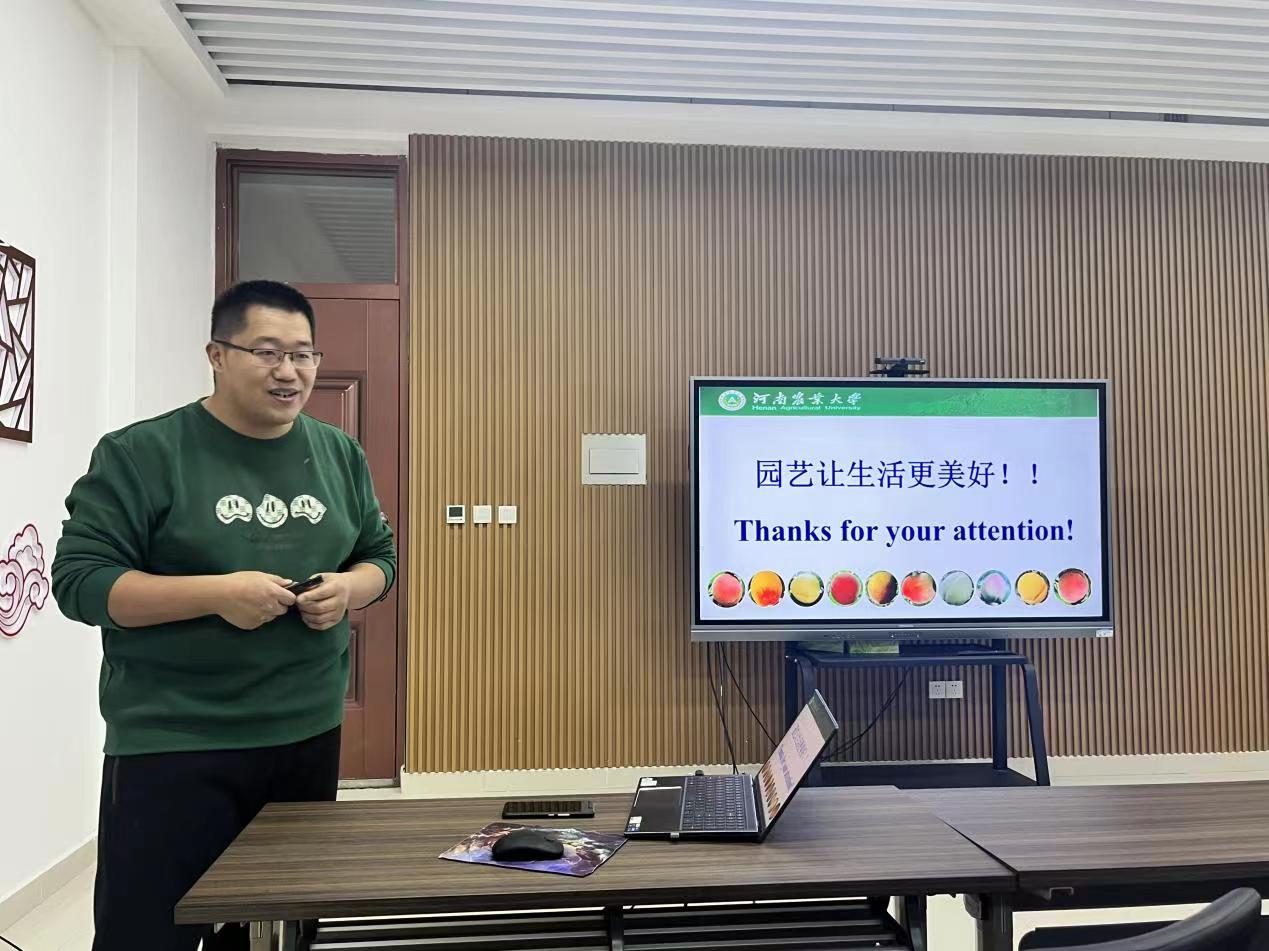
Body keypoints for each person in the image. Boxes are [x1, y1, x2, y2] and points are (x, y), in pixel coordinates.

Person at [52, 280, 397, 950]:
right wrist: (215, 593)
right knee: (149, 932)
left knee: (279, 928)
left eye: (303, 354)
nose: (289, 371)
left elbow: (378, 556)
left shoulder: (338, 453)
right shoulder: (142, 453)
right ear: (216, 354)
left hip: (305, 733)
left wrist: (349, 589)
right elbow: (80, 582)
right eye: (267, 352)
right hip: (174, 739)